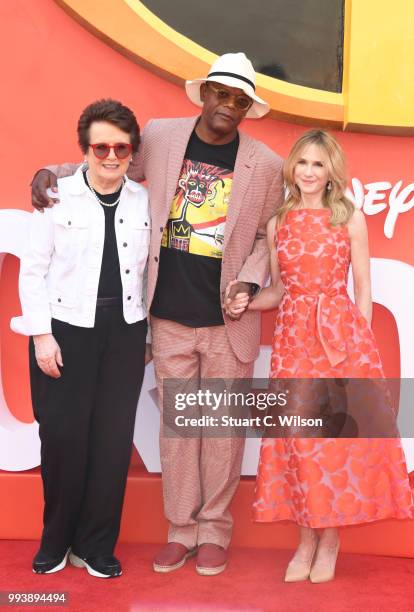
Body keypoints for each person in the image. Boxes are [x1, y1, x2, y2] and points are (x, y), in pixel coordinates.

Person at [29, 53, 284, 575]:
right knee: (178, 429)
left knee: (219, 431)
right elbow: (106, 167)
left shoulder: (267, 164)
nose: (227, 106)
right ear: (205, 93)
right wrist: (48, 172)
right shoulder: (163, 137)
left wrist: (252, 279)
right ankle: (181, 529)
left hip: (227, 322)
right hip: (164, 317)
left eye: (239, 99)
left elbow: (266, 236)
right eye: (221, 93)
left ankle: (214, 530)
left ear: (248, 108)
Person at [226, 129, 414, 583]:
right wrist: (246, 301)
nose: (309, 172)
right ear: (293, 167)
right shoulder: (278, 223)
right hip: (293, 342)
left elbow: (364, 290)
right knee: (299, 442)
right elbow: (278, 290)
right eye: (302, 163)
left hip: (339, 340)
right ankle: (306, 538)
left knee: (332, 444)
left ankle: (329, 540)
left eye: (318, 164)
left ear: (331, 171)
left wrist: (358, 346)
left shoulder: (348, 217)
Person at [12, 99, 150, 578]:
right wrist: (42, 337)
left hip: (126, 333)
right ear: (85, 150)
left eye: (121, 147)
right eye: (101, 146)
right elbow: (33, 271)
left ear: (133, 150)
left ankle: (95, 546)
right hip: (66, 331)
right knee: (65, 440)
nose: (111, 156)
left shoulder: (143, 200)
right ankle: (56, 541)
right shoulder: (56, 195)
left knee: (112, 444)